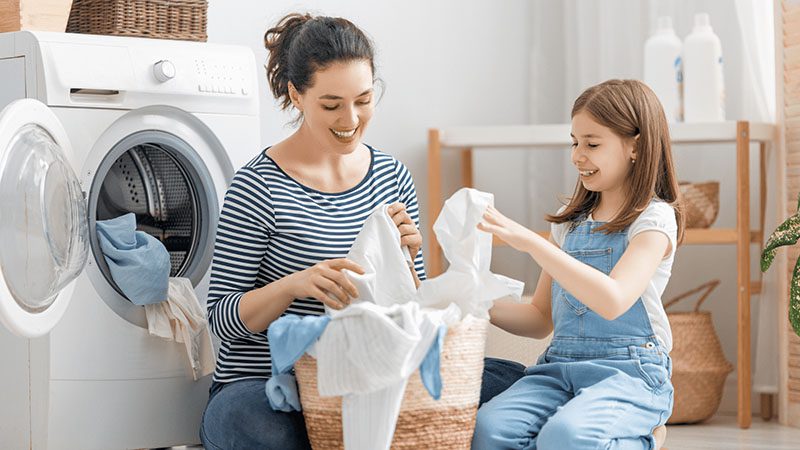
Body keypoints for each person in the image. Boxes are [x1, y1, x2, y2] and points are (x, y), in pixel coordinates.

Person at [198, 12, 522, 449]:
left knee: (515, 383)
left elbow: (409, 307)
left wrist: (409, 261)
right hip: (269, 382)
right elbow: (220, 319)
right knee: (257, 428)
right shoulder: (257, 186)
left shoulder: (390, 175)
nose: (350, 119)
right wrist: (294, 286)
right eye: (331, 105)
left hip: (369, 372)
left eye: (363, 100)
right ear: (296, 95)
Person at [472, 79, 683, 450]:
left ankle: (644, 439)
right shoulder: (569, 225)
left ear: (636, 146)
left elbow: (614, 299)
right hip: (559, 366)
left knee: (566, 436)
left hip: (629, 372)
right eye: (575, 142)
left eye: (592, 144)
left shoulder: (654, 220)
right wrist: (471, 300)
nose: (577, 155)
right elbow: (540, 320)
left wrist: (533, 244)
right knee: (489, 430)